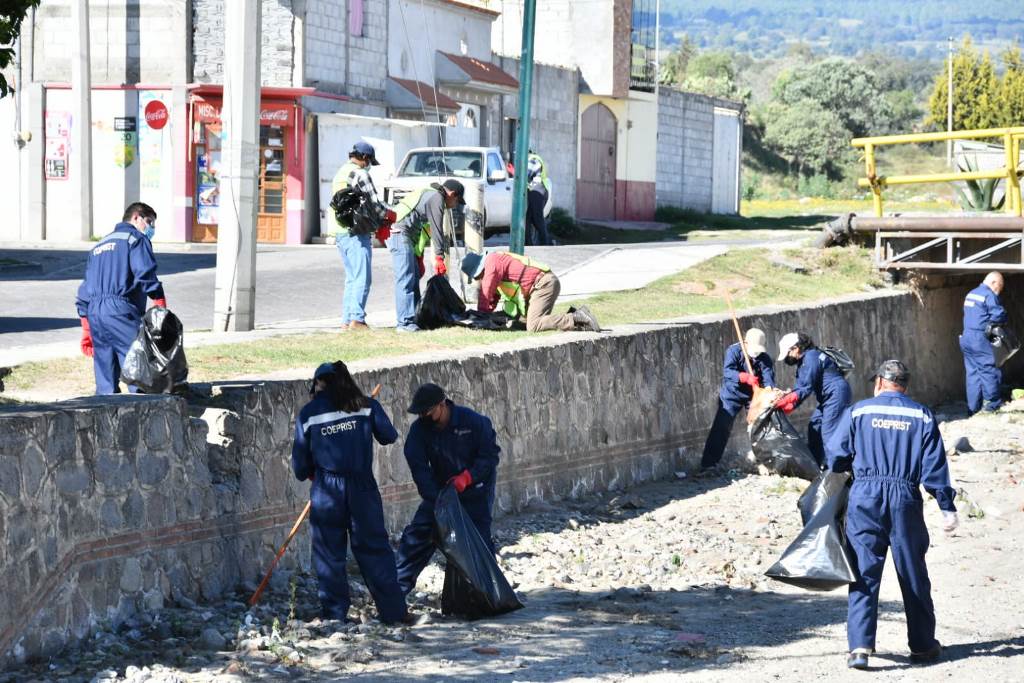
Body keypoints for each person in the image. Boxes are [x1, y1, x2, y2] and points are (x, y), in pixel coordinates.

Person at [825, 359, 958, 670]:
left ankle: (859, 647)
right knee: (912, 572)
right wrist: (946, 506)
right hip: (905, 499)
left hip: (865, 498)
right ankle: (923, 646)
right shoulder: (921, 415)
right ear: (905, 386)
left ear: (879, 383)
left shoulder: (859, 411)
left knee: (863, 572)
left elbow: (835, 454)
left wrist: (848, 468)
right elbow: (934, 466)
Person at [290, 361, 409, 624]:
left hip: (326, 490)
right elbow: (389, 435)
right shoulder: (365, 406)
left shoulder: (309, 414)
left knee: (329, 552)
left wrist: (314, 473)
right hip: (362, 488)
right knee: (375, 549)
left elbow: (299, 467)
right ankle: (394, 613)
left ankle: (334, 615)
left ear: (319, 383)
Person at [395, 383, 501, 595]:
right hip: (441, 492)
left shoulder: (473, 422)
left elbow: (489, 457)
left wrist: (467, 477)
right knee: (416, 539)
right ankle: (394, 595)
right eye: (420, 413)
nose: (423, 416)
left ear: (442, 405)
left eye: (427, 412)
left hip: (474, 491)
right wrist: (436, 498)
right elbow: (419, 468)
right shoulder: (419, 430)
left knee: (477, 544)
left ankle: (487, 596)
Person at [75, 202, 166, 395]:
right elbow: (145, 273)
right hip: (121, 312)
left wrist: (87, 329)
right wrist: (159, 302)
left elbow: (84, 291)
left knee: (105, 379)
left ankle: (105, 411)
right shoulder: (136, 239)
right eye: (149, 222)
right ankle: (144, 410)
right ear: (136, 217)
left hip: (95, 314)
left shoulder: (99, 245)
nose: (151, 228)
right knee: (139, 371)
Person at [387, 180, 463, 332]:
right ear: (452, 194)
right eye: (457, 201)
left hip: (406, 235)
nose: (455, 205)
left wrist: (418, 256)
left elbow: (423, 233)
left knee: (413, 277)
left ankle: (416, 318)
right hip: (399, 232)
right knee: (406, 279)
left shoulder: (431, 194)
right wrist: (439, 257)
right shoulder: (437, 199)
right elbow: (437, 229)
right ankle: (405, 323)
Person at [460, 251, 601, 333]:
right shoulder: (494, 266)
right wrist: (486, 315)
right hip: (539, 287)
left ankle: (575, 317)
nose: (479, 280)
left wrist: (480, 318)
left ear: (479, 270)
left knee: (533, 325)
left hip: (543, 285)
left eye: (477, 277)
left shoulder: (492, 263)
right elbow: (491, 299)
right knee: (517, 323)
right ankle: (581, 323)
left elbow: (485, 294)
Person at [332, 141, 391, 331]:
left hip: (341, 232)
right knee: (362, 278)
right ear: (364, 157)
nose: (369, 165)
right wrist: (389, 214)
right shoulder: (360, 173)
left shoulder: (340, 172)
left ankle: (347, 320)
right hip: (356, 233)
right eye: (370, 161)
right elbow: (374, 203)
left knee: (352, 278)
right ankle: (357, 320)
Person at [700, 328, 776, 469]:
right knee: (721, 427)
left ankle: (764, 462)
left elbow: (768, 377)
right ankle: (708, 464)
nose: (756, 353)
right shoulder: (733, 351)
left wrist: (769, 389)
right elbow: (728, 372)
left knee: (759, 427)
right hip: (732, 394)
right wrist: (743, 377)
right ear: (745, 343)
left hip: (753, 397)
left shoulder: (764, 358)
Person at [774, 332, 852, 466]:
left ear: (795, 348)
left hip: (836, 395)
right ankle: (816, 465)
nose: (787, 358)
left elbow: (805, 388)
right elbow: (801, 387)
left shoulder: (810, 358)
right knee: (815, 426)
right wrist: (789, 400)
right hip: (829, 397)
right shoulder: (807, 359)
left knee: (828, 432)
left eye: (788, 353)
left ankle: (836, 468)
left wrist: (787, 402)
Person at [960, 271, 1007, 413]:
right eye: (999, 288)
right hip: (979, 338)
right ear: (993, 282)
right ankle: (992, 406)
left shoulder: (971, 293)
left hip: (966, 337)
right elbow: (999, 315)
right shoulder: (988, 295)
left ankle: (973, 408)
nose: (998, 292)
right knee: (989, 370)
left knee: (973, 373)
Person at [525, 150, 552, 246]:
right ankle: (528, 243)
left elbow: (526, 175)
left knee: (537, 219)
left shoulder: (533, 160)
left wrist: (514, 172)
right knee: (528, 219)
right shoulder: (531, 159)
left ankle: (546, 243)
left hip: (537, 191)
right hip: (534, 191)